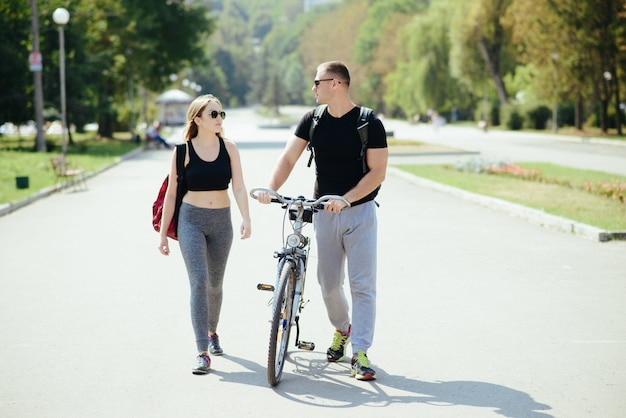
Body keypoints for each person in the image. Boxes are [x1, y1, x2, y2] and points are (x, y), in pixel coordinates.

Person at [257, 61, 388, 381]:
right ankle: (342, 329)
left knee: (362, 285)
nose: (313, 88)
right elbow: (289, 158)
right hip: (323, 214)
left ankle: (360, 352)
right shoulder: (312, 119)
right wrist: (272, 189)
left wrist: (347, 198)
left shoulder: (368, 122)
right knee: (329, 285)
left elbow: (378, 173)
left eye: (318, 82)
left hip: (359, 214)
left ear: (337, 84)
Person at [157, 94, 252, 375]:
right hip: (191, 221)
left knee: (215, 284)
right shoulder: (181, 152)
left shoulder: (230, 148)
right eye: (213, 114)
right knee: (199, 281)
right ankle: (201, 351)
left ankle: (212, 332)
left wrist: (247, 217)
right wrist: (163, 235)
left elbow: (239, 187)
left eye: (221, 114)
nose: (219, 119)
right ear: (197, 118)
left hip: (222, 221)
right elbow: (172, 195)